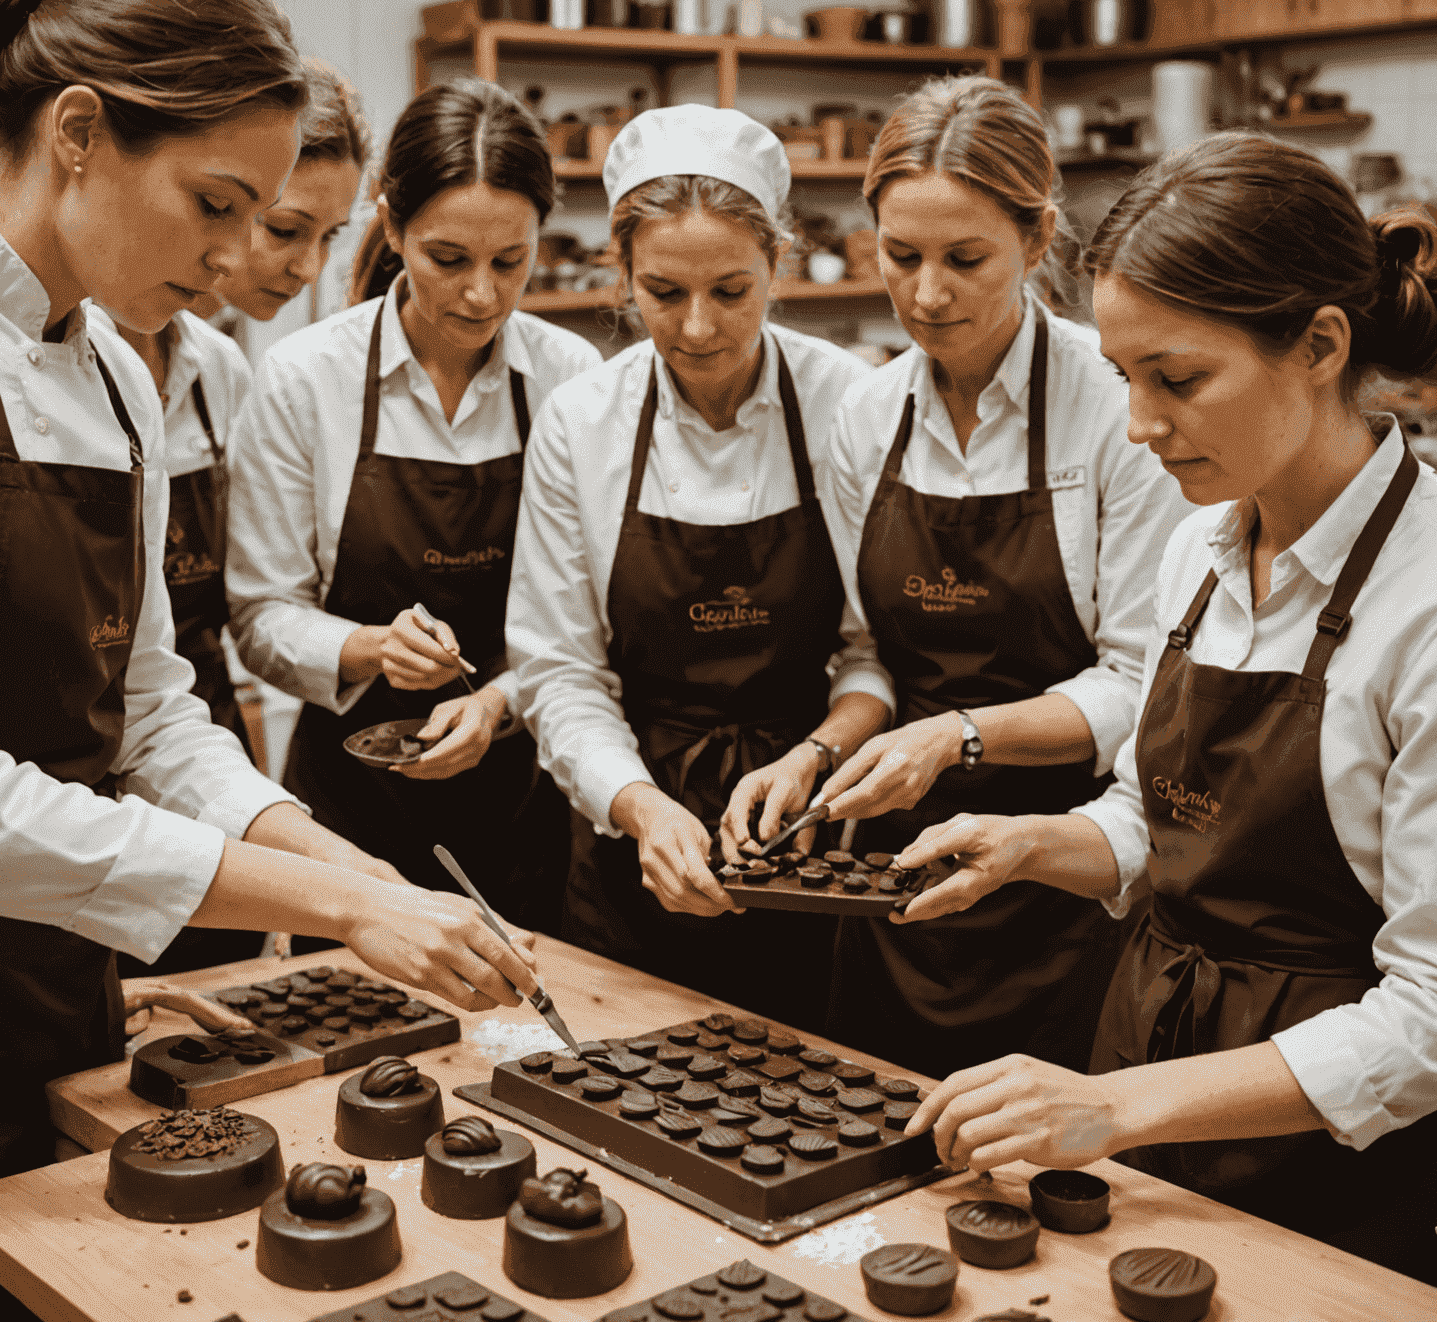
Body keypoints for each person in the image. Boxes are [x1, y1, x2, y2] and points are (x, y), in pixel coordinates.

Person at [0, 0, 540, 1301]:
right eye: (216, 204)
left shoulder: (117, 377)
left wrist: (358, 874)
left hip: (59, 986)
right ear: (80, 133)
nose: (245, 255)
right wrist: (332, 901)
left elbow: (148, 716)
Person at [894, 135, 1437, 1284]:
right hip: (1147, 1080)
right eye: (1123, 376)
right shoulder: (1200, 547)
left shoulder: (1423, 605)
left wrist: (1116, 1107)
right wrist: (1033, 844)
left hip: (1334, 1152)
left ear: (1321, 346)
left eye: (1177, 380)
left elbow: (1429, 1019)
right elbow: (1168, 816)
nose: (1138, 425)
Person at [798, 77, 1186, 1076]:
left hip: (1068, 866)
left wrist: (958, 736)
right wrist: (827, 745)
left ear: (1037, 236)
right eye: (901, 256)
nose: (928, 294)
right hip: (894, 871)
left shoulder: (1115, 407)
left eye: (965, 260)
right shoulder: (867, 417)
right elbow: (864, 650)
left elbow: (1142, 680)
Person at [509, 105, 890, 1027]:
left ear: (778, 263)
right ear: (622, 274)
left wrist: (816, 758)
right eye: (662, 291)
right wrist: (642, 809)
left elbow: (875, 651)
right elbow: (558, 669)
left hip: (810, 839)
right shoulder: (582, 422)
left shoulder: (851, 404)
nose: (697, 326)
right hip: (629, 836)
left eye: (731, 290)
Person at [225, 79, 600, 930]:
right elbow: (259, 614)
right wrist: (369, 647)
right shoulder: (305, 379)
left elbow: (585, 625)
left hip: (524, 806)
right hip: (350, 811)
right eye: (448, 259)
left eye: (510, 262)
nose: (481, 295)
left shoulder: (571, 380)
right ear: (391, 227)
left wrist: (498, 700)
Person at [93, 59, 371, 977]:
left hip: (196, 743)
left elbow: (177, 677)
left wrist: (312, 863)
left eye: (329, 237)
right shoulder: (52, 358)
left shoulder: (218, 371)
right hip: (63, 793)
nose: (306, 267)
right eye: (283, 228)